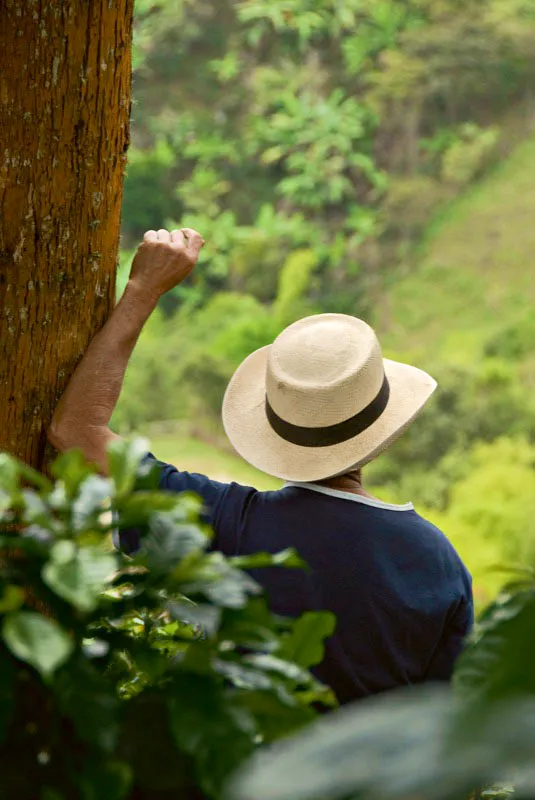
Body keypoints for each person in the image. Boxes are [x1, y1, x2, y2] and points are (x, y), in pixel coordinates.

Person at [48, 227, 474, 704]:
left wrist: (144, 290)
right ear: (380, 431)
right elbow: (451, 724)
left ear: (277, 425)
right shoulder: (440, 562)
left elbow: (78, 433)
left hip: (240, 777)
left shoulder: (232, 526)